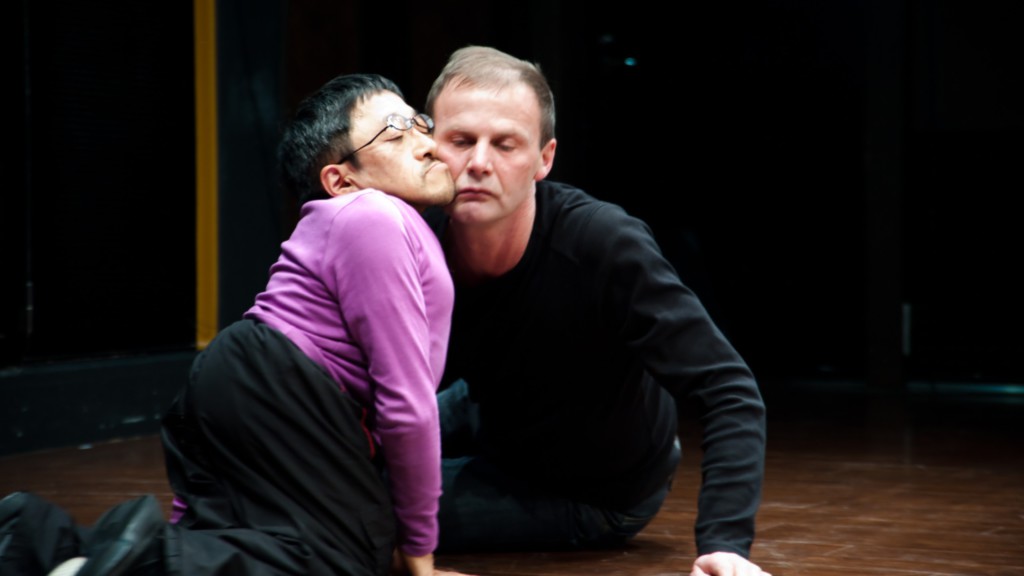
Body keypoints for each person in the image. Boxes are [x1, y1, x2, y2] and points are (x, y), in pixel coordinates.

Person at [0, 73, 474, 576]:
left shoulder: (370, 224)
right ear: (341, 179)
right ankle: (142, 559)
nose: (426, 144)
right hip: (283, 386)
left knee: (236, 544)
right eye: (396, 132)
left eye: (420, 124)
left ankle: (37, 541)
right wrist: (420, 558)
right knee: (338, 561)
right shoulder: (375, 215)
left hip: (239, 376)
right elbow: (405, 404)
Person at [421, 45, 772, 576]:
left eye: (506, 144)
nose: (479, 163)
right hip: (496, 407)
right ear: (431, 146)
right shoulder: (414, 236)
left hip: (595, 485)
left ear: (545, 158)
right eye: (462, 141)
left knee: (366, 507)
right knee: (315, 461)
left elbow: (729, 390)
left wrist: (724, 544)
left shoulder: (602, 244)